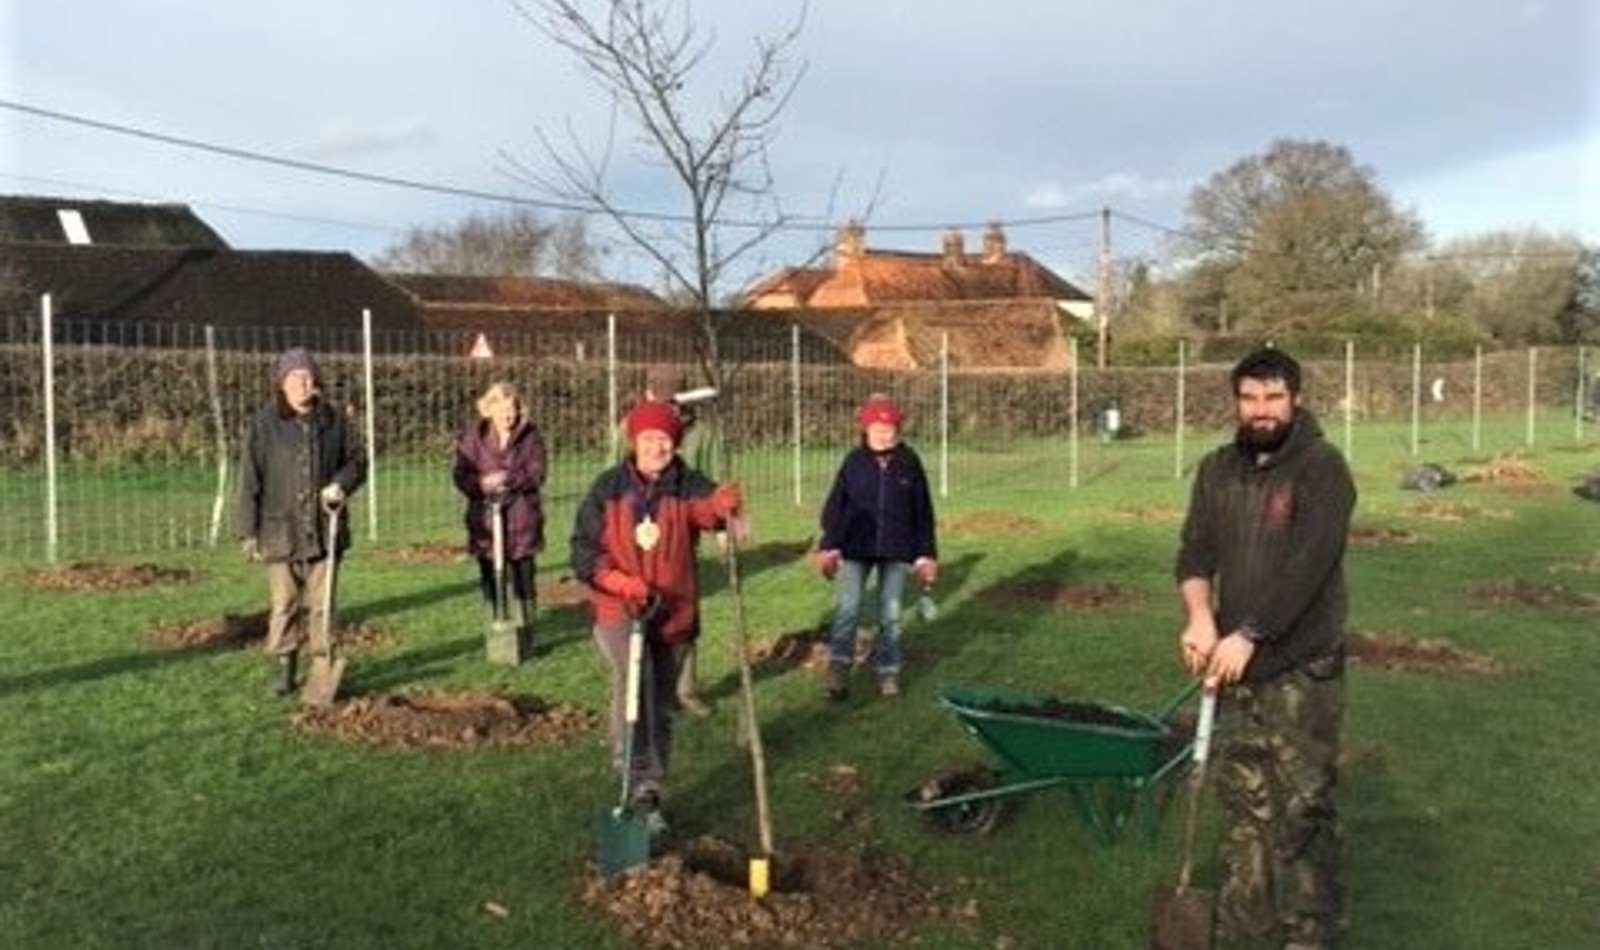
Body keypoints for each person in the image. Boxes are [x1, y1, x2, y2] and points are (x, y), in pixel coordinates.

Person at [1175, 347, 1355, 950]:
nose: (1261, 410)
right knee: (1245, 801)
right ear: (1236, 402)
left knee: (1302, 808)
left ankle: (1310, 933)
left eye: (1273, 397)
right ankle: (1243, 923)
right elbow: (1194, 554)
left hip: (1301, 666)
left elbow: (1308, 568)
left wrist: (1250, 633)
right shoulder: (1216, 470)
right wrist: (1201, 618)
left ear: (1296, 399)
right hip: (1232, 661)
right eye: (1250, 398)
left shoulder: (1323, 469)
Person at [570, 399, 742, 834]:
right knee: (635, 686)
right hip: (619, 610)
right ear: (634, 441)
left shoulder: (687, 482)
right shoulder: (607, 488)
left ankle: (651, 786)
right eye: (648, 438)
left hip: (674, 612)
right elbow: (583, 551)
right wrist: (616, 581)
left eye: (665, 439)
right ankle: (634, 781)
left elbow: (707, 511)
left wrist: (723, 506)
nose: (657, 447)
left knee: (662, 703)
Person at [238, 347, 367, 698]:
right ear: (282, 383)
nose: (302, 383)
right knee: (284, 604)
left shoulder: (333, 421)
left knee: (323, 604)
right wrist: (248, 532)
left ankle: (322, 664)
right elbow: (250, 479)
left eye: (308, 377)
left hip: (326, 529)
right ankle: (284, 665)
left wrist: (341, 483)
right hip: (279, 530)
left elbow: (357, 461)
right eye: (295, 378)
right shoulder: (264, 424)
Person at [814, 394, 938, 701]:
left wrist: (925, 556)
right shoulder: (853, 462)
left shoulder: (909, 463)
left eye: (889, 429)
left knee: (891, 612)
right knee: (847, 608)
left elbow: (923, 512)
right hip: (855, 548)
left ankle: (888, 671)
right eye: (877, 428)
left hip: (896, 550)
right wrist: (829, 547)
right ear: (865, 430)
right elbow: (836, 507)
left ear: (898, 431)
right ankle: (839, 669)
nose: (884, 435)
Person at [452, 381, 547, 647]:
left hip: (521, 520)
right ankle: (496, 627)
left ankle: (526, 632)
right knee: (490, 575)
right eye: (503, 409)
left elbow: (537, 472)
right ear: (489, 410)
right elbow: (461, 474)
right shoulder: (474, 437)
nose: (509, 415)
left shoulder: (531, 436)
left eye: (513, 409)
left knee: (523, 578)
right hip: (485, 521)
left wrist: (507, 478)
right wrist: (481, 484)